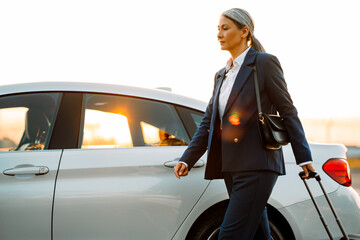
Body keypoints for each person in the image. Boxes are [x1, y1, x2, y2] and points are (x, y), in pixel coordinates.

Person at [174, 8, 315, 240]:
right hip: (231, 167)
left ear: (244, 31)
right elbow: (209, 123)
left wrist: (304, 157)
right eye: (217, 29)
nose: (219, 34)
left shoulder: (264, 63)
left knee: (230, 236)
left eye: (225, 28)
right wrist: (187, 158)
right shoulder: (221, 74)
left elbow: (288, 110)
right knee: (259, 235)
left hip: (257, 165)